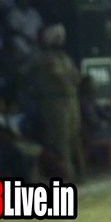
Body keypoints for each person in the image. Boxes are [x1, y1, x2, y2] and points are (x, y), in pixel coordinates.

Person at [34, 24, 84, 179]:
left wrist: (72, 80)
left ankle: (80, 170)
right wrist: (71, 80)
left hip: (71, 98)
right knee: (61, 138)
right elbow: (61, 80)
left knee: (74, 135)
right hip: (55, 101)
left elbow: (76, 78)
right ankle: (65, 173)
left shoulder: (64, 57)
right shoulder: (45, 58)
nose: (61, 41)